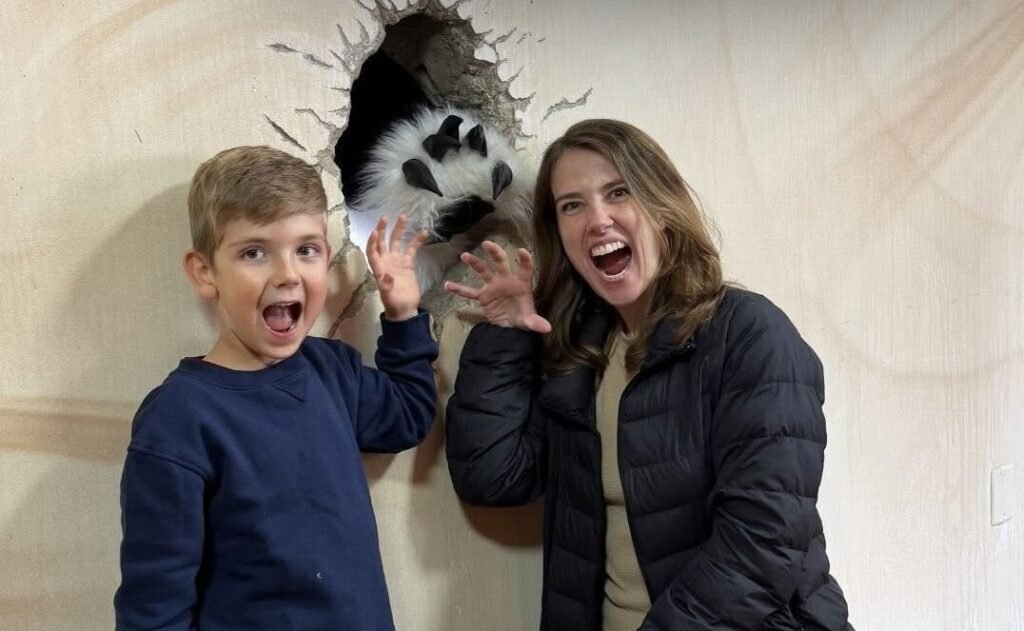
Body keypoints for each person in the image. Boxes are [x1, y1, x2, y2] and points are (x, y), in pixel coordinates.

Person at [444, 120, 852, 630]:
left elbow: (763, 544)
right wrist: (505, 335)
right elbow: (493, 476)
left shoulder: (750, 334)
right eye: (572, 205)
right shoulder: (580, 351)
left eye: (618, 192)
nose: (597, 220)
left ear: (662, 205)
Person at [114, 146, 438, 630]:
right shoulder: (179, 420)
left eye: (305, 249)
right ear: (205, 272)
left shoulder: (332, 371)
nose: (287, 274)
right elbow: (154, 608)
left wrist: (402, 314)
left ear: (326, 259)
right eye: (254, 252)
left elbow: (407, 415)